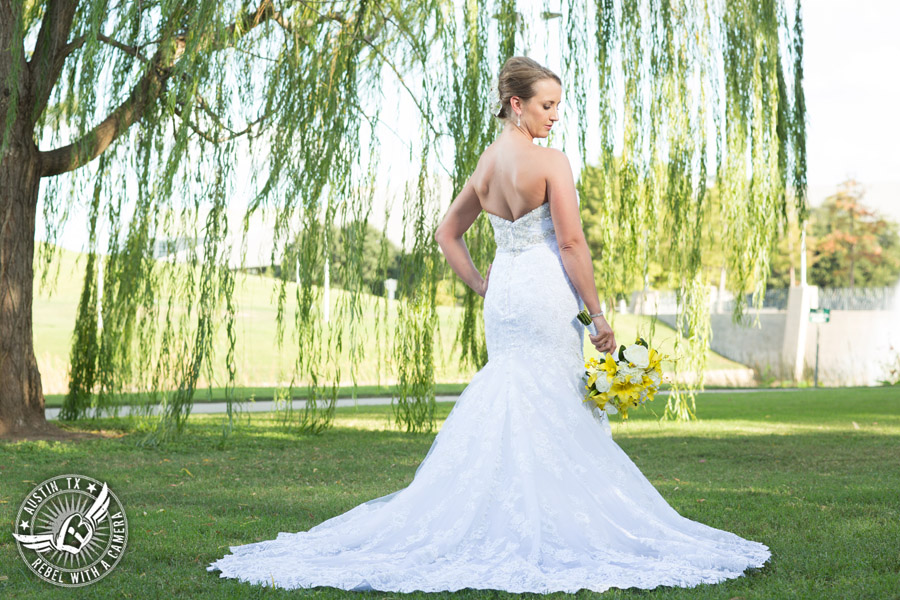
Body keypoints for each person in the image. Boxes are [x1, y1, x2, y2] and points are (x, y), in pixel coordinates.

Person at [208, 56, 770, 594]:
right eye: (547, 105)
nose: (555, 116)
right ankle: (552, 520)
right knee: (550, 394)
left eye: (558, 106)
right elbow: (571, 243)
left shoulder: (485, 164)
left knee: (513, 389)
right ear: (515, 104)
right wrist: (597, 315)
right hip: (546, 290)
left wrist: (482, 285)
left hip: (504, 297)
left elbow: (446, 234)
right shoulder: (551, 163)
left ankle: (504, 515)